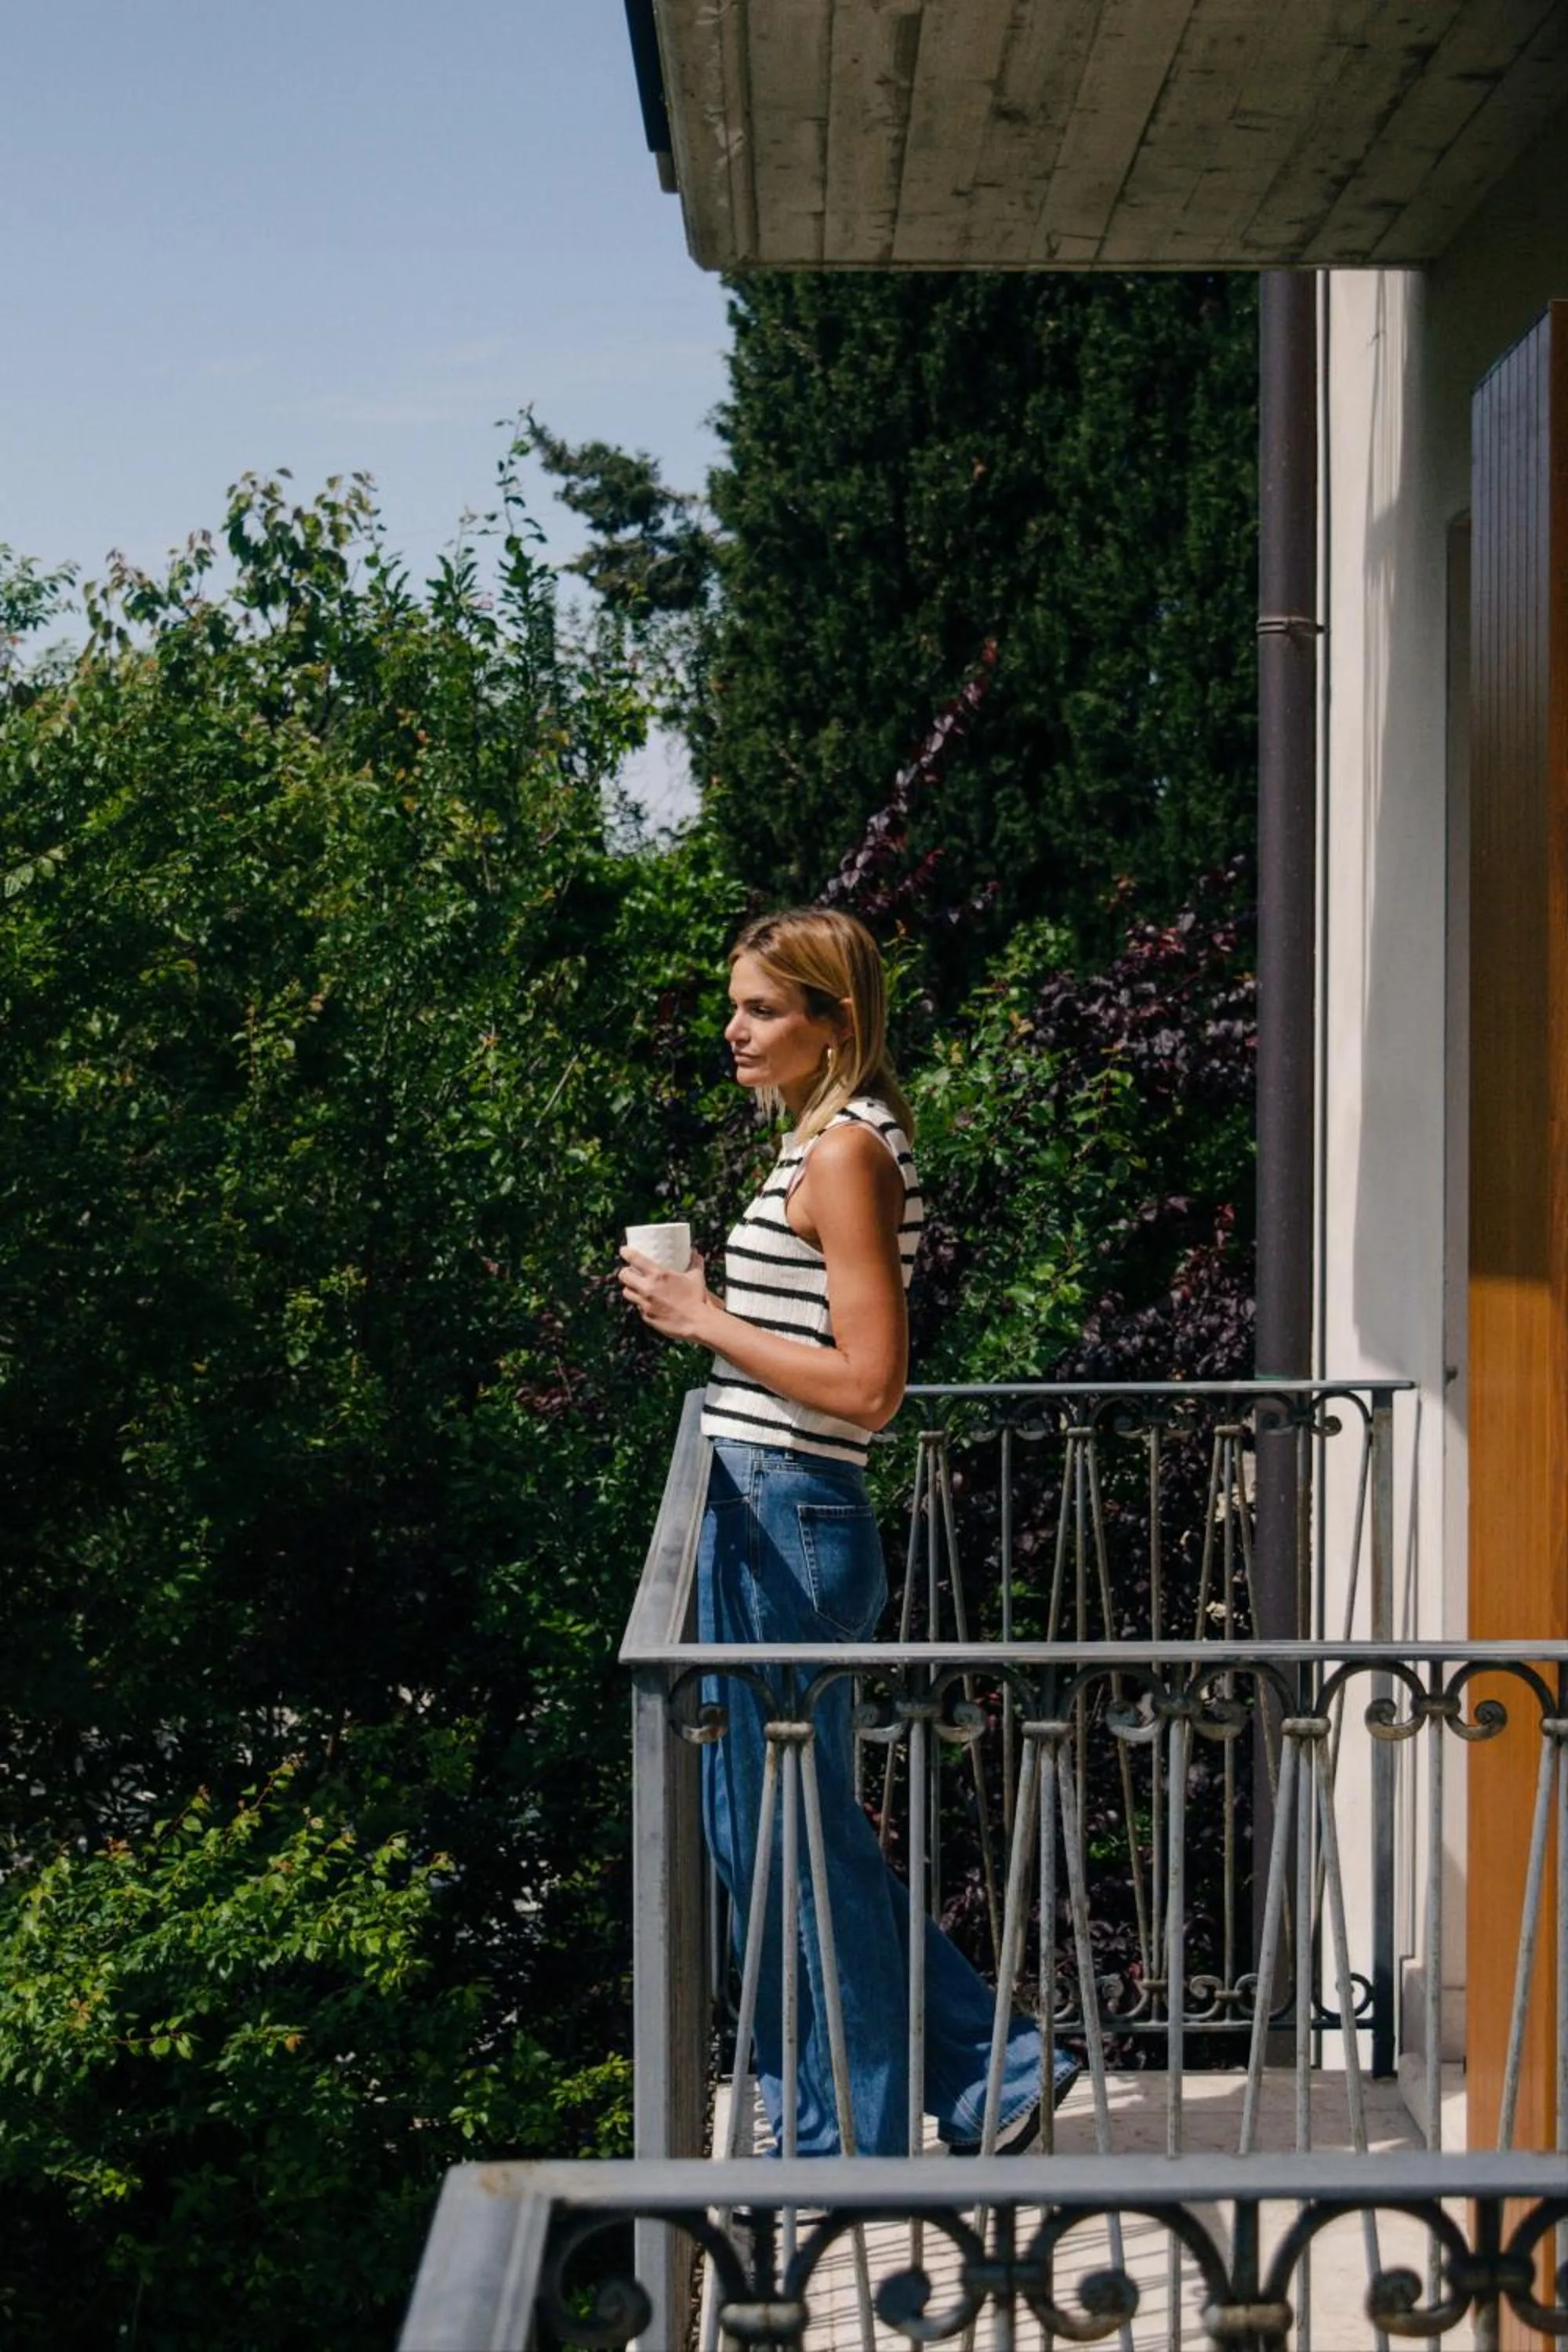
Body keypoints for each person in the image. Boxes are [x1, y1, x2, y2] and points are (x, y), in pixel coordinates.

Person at [619, 906, 1074, 2157]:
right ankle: (993, 2075)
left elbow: (870, 1384)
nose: (735, 1028)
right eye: (737, 1005)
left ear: (837, 1023)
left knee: (781, 1834)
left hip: (791, 1509)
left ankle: (846, 2144)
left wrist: (704, 1317)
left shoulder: (847, 1157)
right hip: (753, 1501)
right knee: (769, 1824)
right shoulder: (812, 1145)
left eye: (764, 1009)